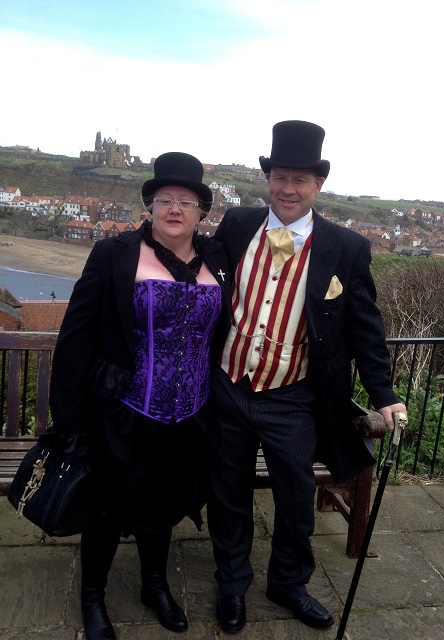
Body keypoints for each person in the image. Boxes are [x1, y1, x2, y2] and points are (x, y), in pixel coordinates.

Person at [206, 120, 408, 633]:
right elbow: (195, 274)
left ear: (318, 185)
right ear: (267, 178)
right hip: (228, 386)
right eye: (279, 177)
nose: (288, 189)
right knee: (227, 494)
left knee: (296, 497)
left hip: (291, 396)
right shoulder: (236, 224)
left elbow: (365, 327)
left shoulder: (345, 248)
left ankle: (288, 583)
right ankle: (232, 585)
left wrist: (382, 394)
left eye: (300, 180)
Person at [49, 152, 231, 639]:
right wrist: (68, 421)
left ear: (202, 212)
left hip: (192, 412)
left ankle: (155, 585)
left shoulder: (218, 258)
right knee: (108, 508)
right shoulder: (115, 254)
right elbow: (75, 338)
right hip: (124, 409)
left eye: (186, 201)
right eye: (164, 199)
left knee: (166, 504)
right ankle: (93, 597)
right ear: (150, 205)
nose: (175, 208)